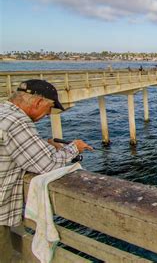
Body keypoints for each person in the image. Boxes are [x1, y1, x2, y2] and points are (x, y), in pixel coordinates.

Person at [0, 79, 92, 262]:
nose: (48, 114)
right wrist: (75, 147)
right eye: (49, 108)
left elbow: (18, 150)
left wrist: (45, 145)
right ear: (37, 102)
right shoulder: (16, 121)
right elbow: (47, 164)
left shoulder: (4, 112)